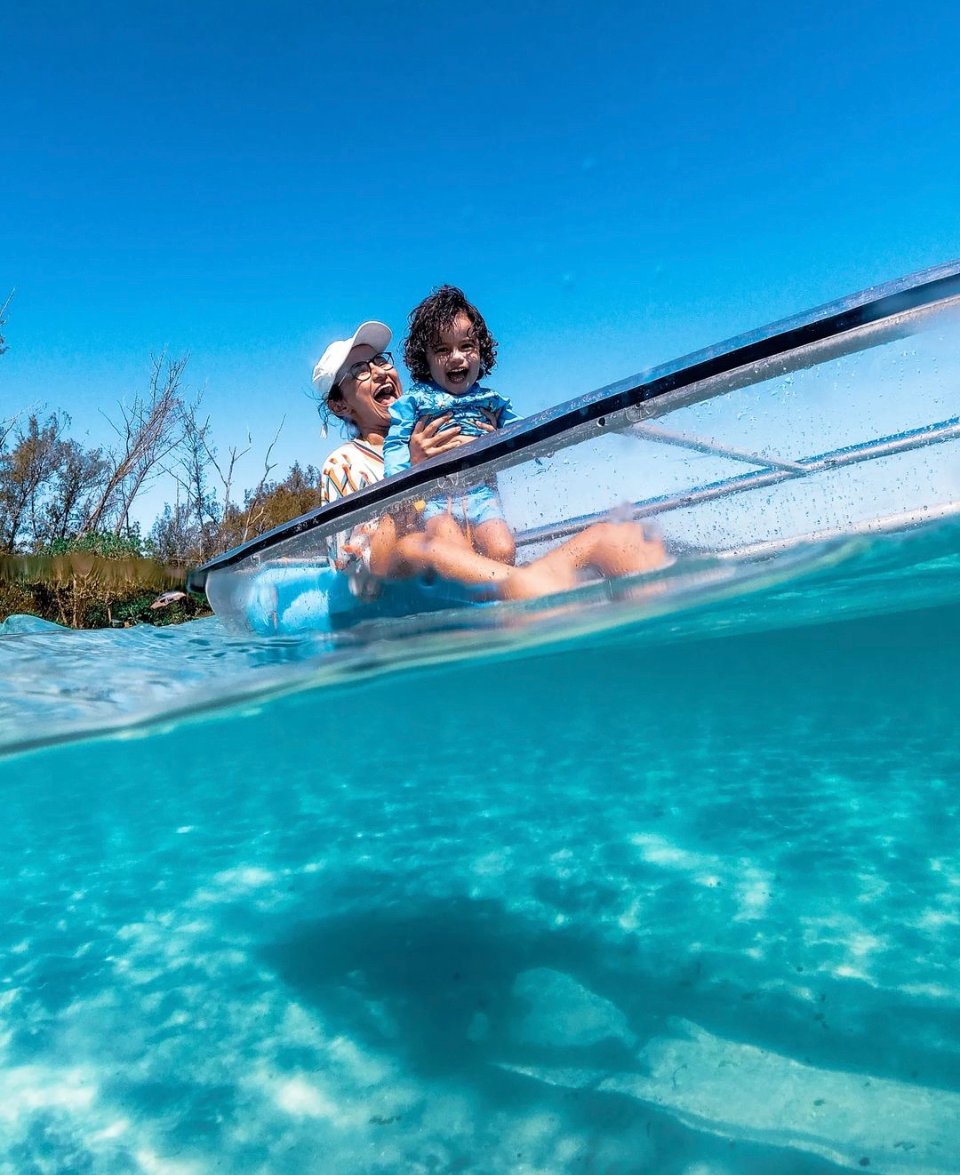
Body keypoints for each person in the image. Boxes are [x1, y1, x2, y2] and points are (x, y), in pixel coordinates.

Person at [312, 322, 667, 600]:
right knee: (421, 541)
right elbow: (362, 578)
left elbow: (487, 522)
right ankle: (529, 590)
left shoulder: (447, 424)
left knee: (616, 537)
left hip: (489, 579)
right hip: (435, 603)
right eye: (359, 369)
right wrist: (414, 474)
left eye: (380, 361)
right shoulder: (344, 463)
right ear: (340, 405)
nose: (379, 372)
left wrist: (487, 455)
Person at [383, 286, 517, 564]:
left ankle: (501, 595)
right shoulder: (416, 401)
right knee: (458, 553)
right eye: (442, 349)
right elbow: (395, 443)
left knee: (503, 550)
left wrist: (538, 450)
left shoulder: (491, 401)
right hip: (435, 499)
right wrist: (400, 486)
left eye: (466, 346)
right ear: (426, 361)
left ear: (482, 351)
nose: (457, 357)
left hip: (482, 495)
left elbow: (522, 432)